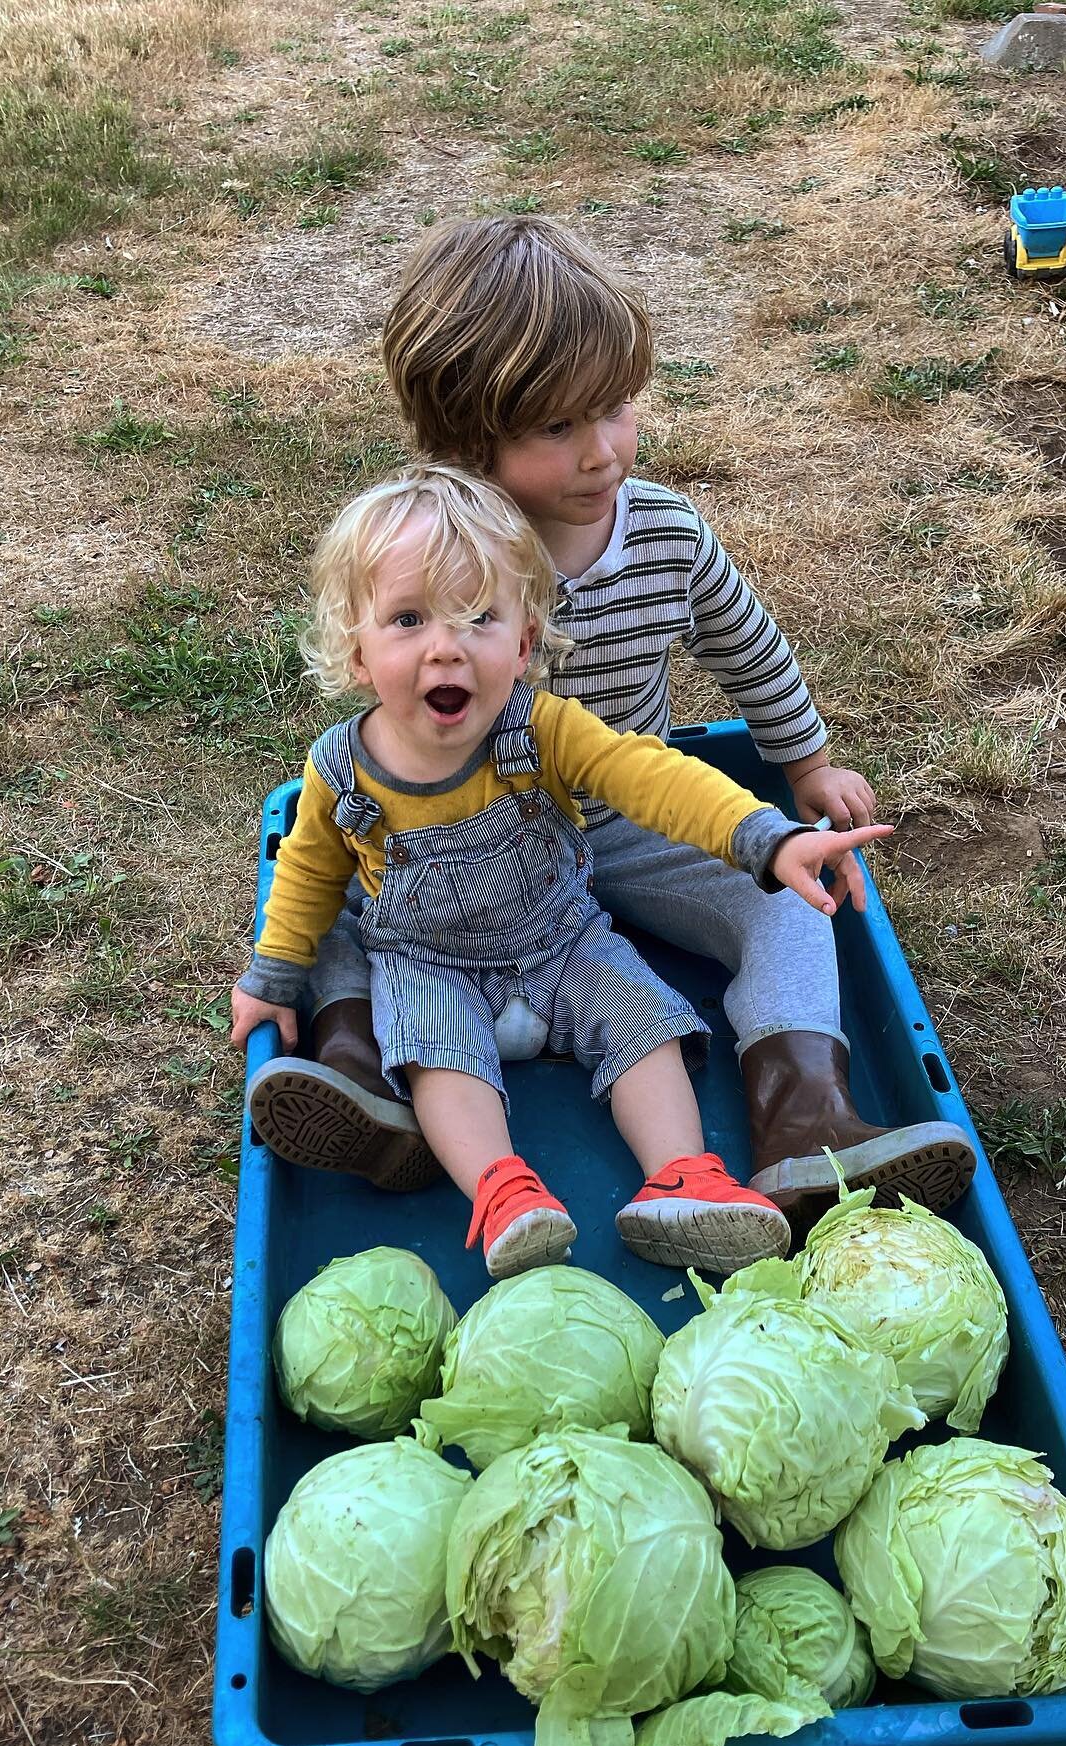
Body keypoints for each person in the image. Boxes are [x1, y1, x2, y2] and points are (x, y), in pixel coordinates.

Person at [243, 216, 976, 1235]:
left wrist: (803, 766)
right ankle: (360, 1071)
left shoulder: (664, 531)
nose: (603, 452)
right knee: (331, 888)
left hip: (624, 820)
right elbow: (364, 748)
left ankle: (805, 1119)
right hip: (451, 833)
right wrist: (275, 967)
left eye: (618, 409)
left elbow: (747, 645)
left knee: (791, 908)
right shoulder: (433, 553)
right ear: (469, 439)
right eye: (557, 429)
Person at [230, 466, 893, 1278]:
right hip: (427, 960)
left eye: (479, 617)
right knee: (439, 1057)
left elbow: (651, 775)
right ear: (356, 651)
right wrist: (271, 977)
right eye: (408, 619)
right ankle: (503, 1189)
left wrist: (766, 836)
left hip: (561, 937)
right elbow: (303, 875)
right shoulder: (341, 769)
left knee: (645, 1023)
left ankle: (683, 1179)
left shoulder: (542, 727)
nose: (446, 646)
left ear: (525, 641)